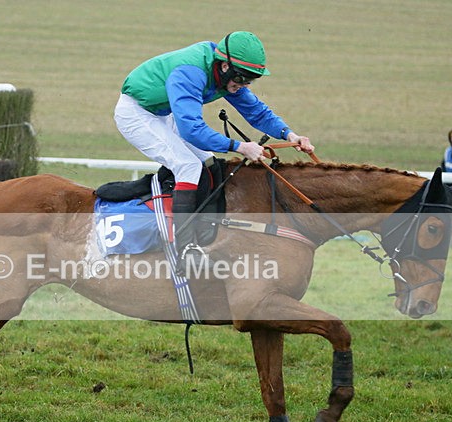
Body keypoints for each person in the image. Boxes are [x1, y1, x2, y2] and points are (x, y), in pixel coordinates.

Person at [114, 31, 314, 270]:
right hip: (136, 113)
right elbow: (191, 130)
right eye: (241, 78)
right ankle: (183, 250)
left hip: (164, 113)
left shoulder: (226, 74)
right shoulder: (191, 72)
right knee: (187, 166)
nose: (243, 85)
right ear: (225, 66)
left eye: (251, 79)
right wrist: (239, 146)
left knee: (208, 164)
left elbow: (257, 112)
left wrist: (290, 135)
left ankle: (205, 234)